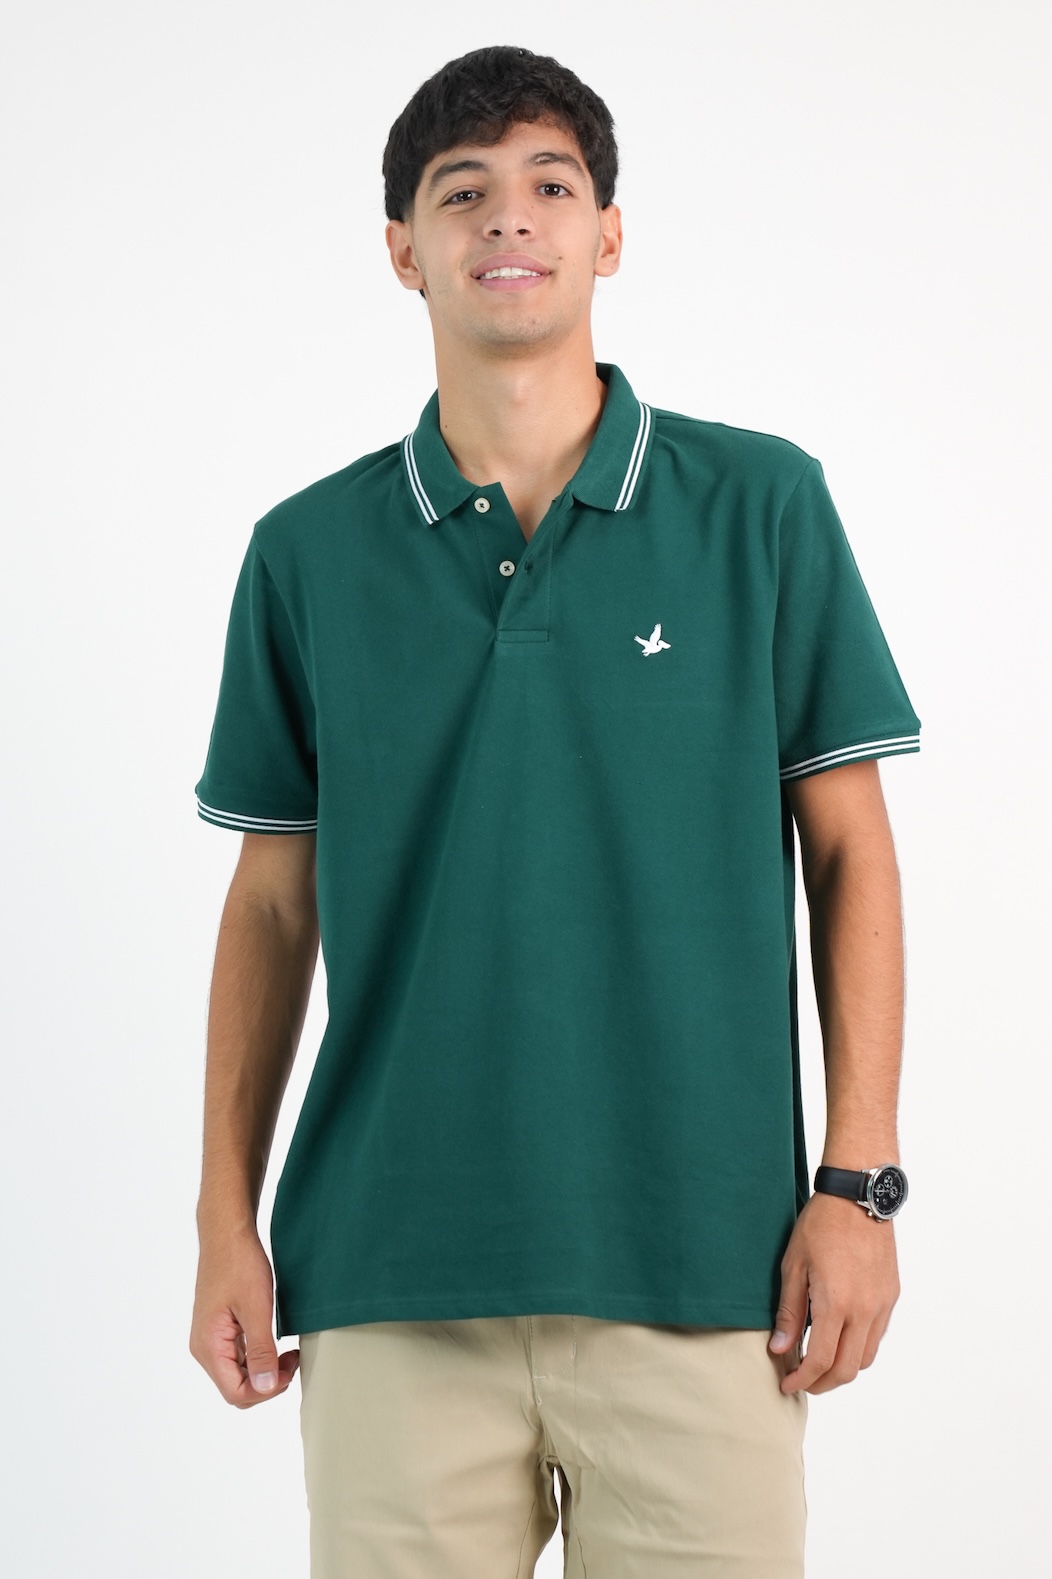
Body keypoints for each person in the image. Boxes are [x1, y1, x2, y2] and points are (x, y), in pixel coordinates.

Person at [189, 43, 921, 1579]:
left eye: (550, 185)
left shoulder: (760, 508)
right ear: (404, 250)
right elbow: (271, 902)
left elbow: (851, 850)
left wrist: (857, 1189)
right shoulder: (306, 553)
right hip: (390, 1276)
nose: (508, 218)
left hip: (705, 1275)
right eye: (462, 194)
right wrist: (222, 1223)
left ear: (609, 233)